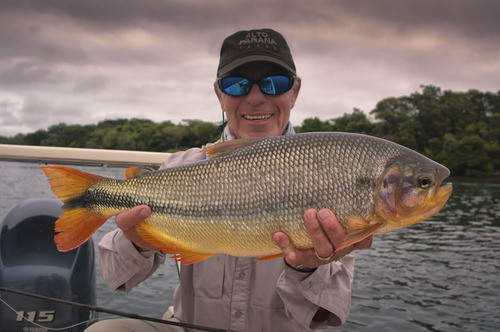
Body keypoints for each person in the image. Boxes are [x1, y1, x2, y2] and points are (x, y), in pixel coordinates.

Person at [85, 28, 372, 332]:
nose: (256, 98)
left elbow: (324, 317)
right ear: (220, 95)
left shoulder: (334, 172)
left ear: (295, 91)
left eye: (275, 83)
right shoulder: (178, 169)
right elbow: (115, 277)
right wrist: (139, 241)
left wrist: (305, 266)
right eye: (237, 85)